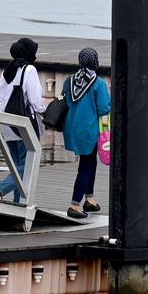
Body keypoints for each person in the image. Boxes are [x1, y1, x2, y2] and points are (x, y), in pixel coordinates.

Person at [0, 37, 44, 202]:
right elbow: (35, 100)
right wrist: (46, 112)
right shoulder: (29, 70)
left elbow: (0, 98)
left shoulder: (7, 70)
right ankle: (1, 187)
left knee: (16, 166)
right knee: (25, 166)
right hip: (22, 124)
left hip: (6, 123)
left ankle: (17, 203)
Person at [60, 48, 111, 219]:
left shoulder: (70, 81)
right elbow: (104, 109)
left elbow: (64, 100)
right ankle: (74, 204)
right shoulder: (98, 83)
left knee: (89, 162)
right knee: (86, 166)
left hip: (72, 128)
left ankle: (89, 199)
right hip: (89, 130)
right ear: (95, 62)